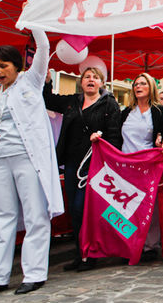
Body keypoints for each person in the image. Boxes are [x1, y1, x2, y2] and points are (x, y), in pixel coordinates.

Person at [0, 30, 63, 295]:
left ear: (16, 66)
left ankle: (34, 274)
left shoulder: (30, 81)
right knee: (1, 217)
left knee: (35, 214)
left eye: (4, 65)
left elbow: (44, 47)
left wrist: (33, 22)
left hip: (27, 158)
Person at [43, 66, 121, 273]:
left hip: (93, 165)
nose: (91, 80)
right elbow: (47, 100)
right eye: (87, 77)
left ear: (101, 83)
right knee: (74, 212)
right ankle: (80, 254)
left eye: (95, 77)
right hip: (70, 164)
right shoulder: (72, 102)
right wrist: (47, 81)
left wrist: (102, 141)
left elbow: (115, 136)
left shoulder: (109, 105)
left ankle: (90, 253)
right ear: (81, 82)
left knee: (82, 208)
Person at [119, 73, 163, 261]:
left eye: (143, 83)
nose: (138, 86)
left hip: (148, 166)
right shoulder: (126, 112)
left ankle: (150, 245)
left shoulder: (160, 111)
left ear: (151, 87)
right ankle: (130, 243)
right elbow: (117, 139)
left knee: (150, 206)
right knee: (128, 206)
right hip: (126, 167)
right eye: (136, 84)